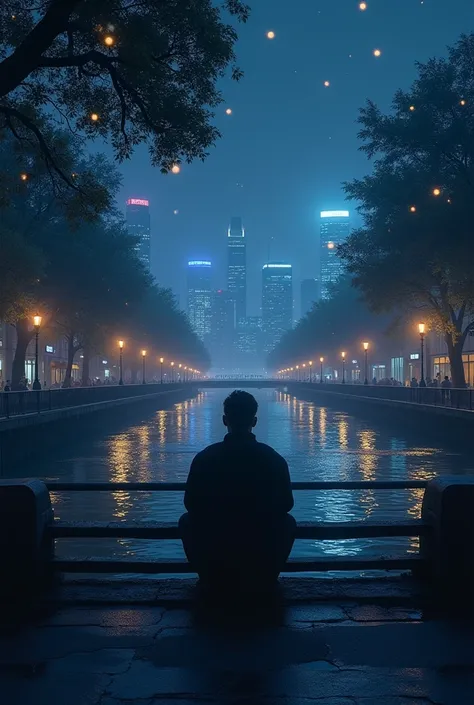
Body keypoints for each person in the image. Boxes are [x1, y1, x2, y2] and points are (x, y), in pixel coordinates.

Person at [179, 390, 296, 595]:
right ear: (255, 420)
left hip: (216, 547)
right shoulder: (273, 459)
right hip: (260, 548)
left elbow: (190, 503)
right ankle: (266, 577)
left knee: (186, 520)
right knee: (288, 522)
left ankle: (209, 578)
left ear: (225, 420)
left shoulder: (205, 458)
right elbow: (286, 503)